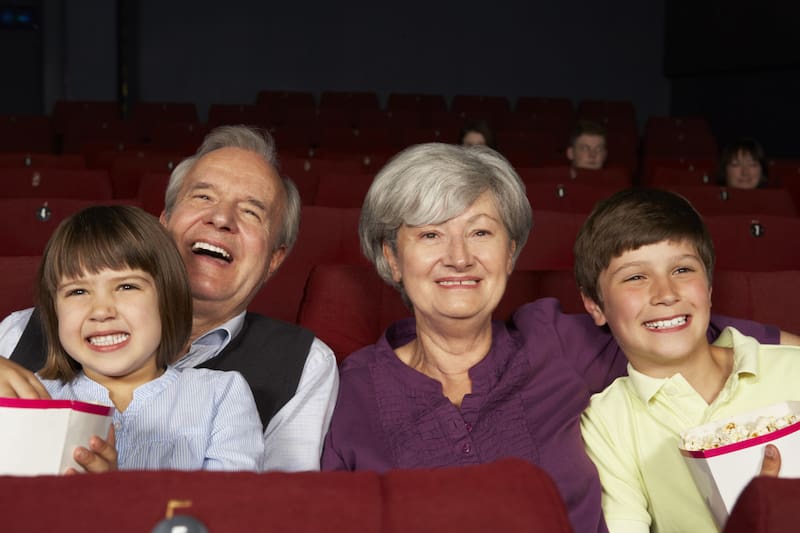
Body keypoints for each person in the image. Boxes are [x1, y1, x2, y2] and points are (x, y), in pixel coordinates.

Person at [319, 143, 786, 533]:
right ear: (392, 258)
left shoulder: (553, 342)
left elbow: (674, 320)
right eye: (430, 235)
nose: (459, 257)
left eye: (480, 231)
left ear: (510, 253)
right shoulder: (352, 389)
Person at [0, 125, 338, 472]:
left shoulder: (301, 365)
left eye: (251, 212)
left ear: (275, 259)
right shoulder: (19, 331)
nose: (221, 219)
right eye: (203, 197)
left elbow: (276, 499)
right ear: (163, 224)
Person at [576, 188, 800, 532]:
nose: (666, 294)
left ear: (708, 288)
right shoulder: (606, 423)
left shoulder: (792, 369)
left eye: (682, 270)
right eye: (635, 277)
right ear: (595, 305)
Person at [35, 205, 263, 472]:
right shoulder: (34, 396)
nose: (101, 311)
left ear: (167, 299)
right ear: (54, 310)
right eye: (77, 292)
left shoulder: (220, 395)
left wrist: (113, 489)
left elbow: (231, 496)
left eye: (126, 286)